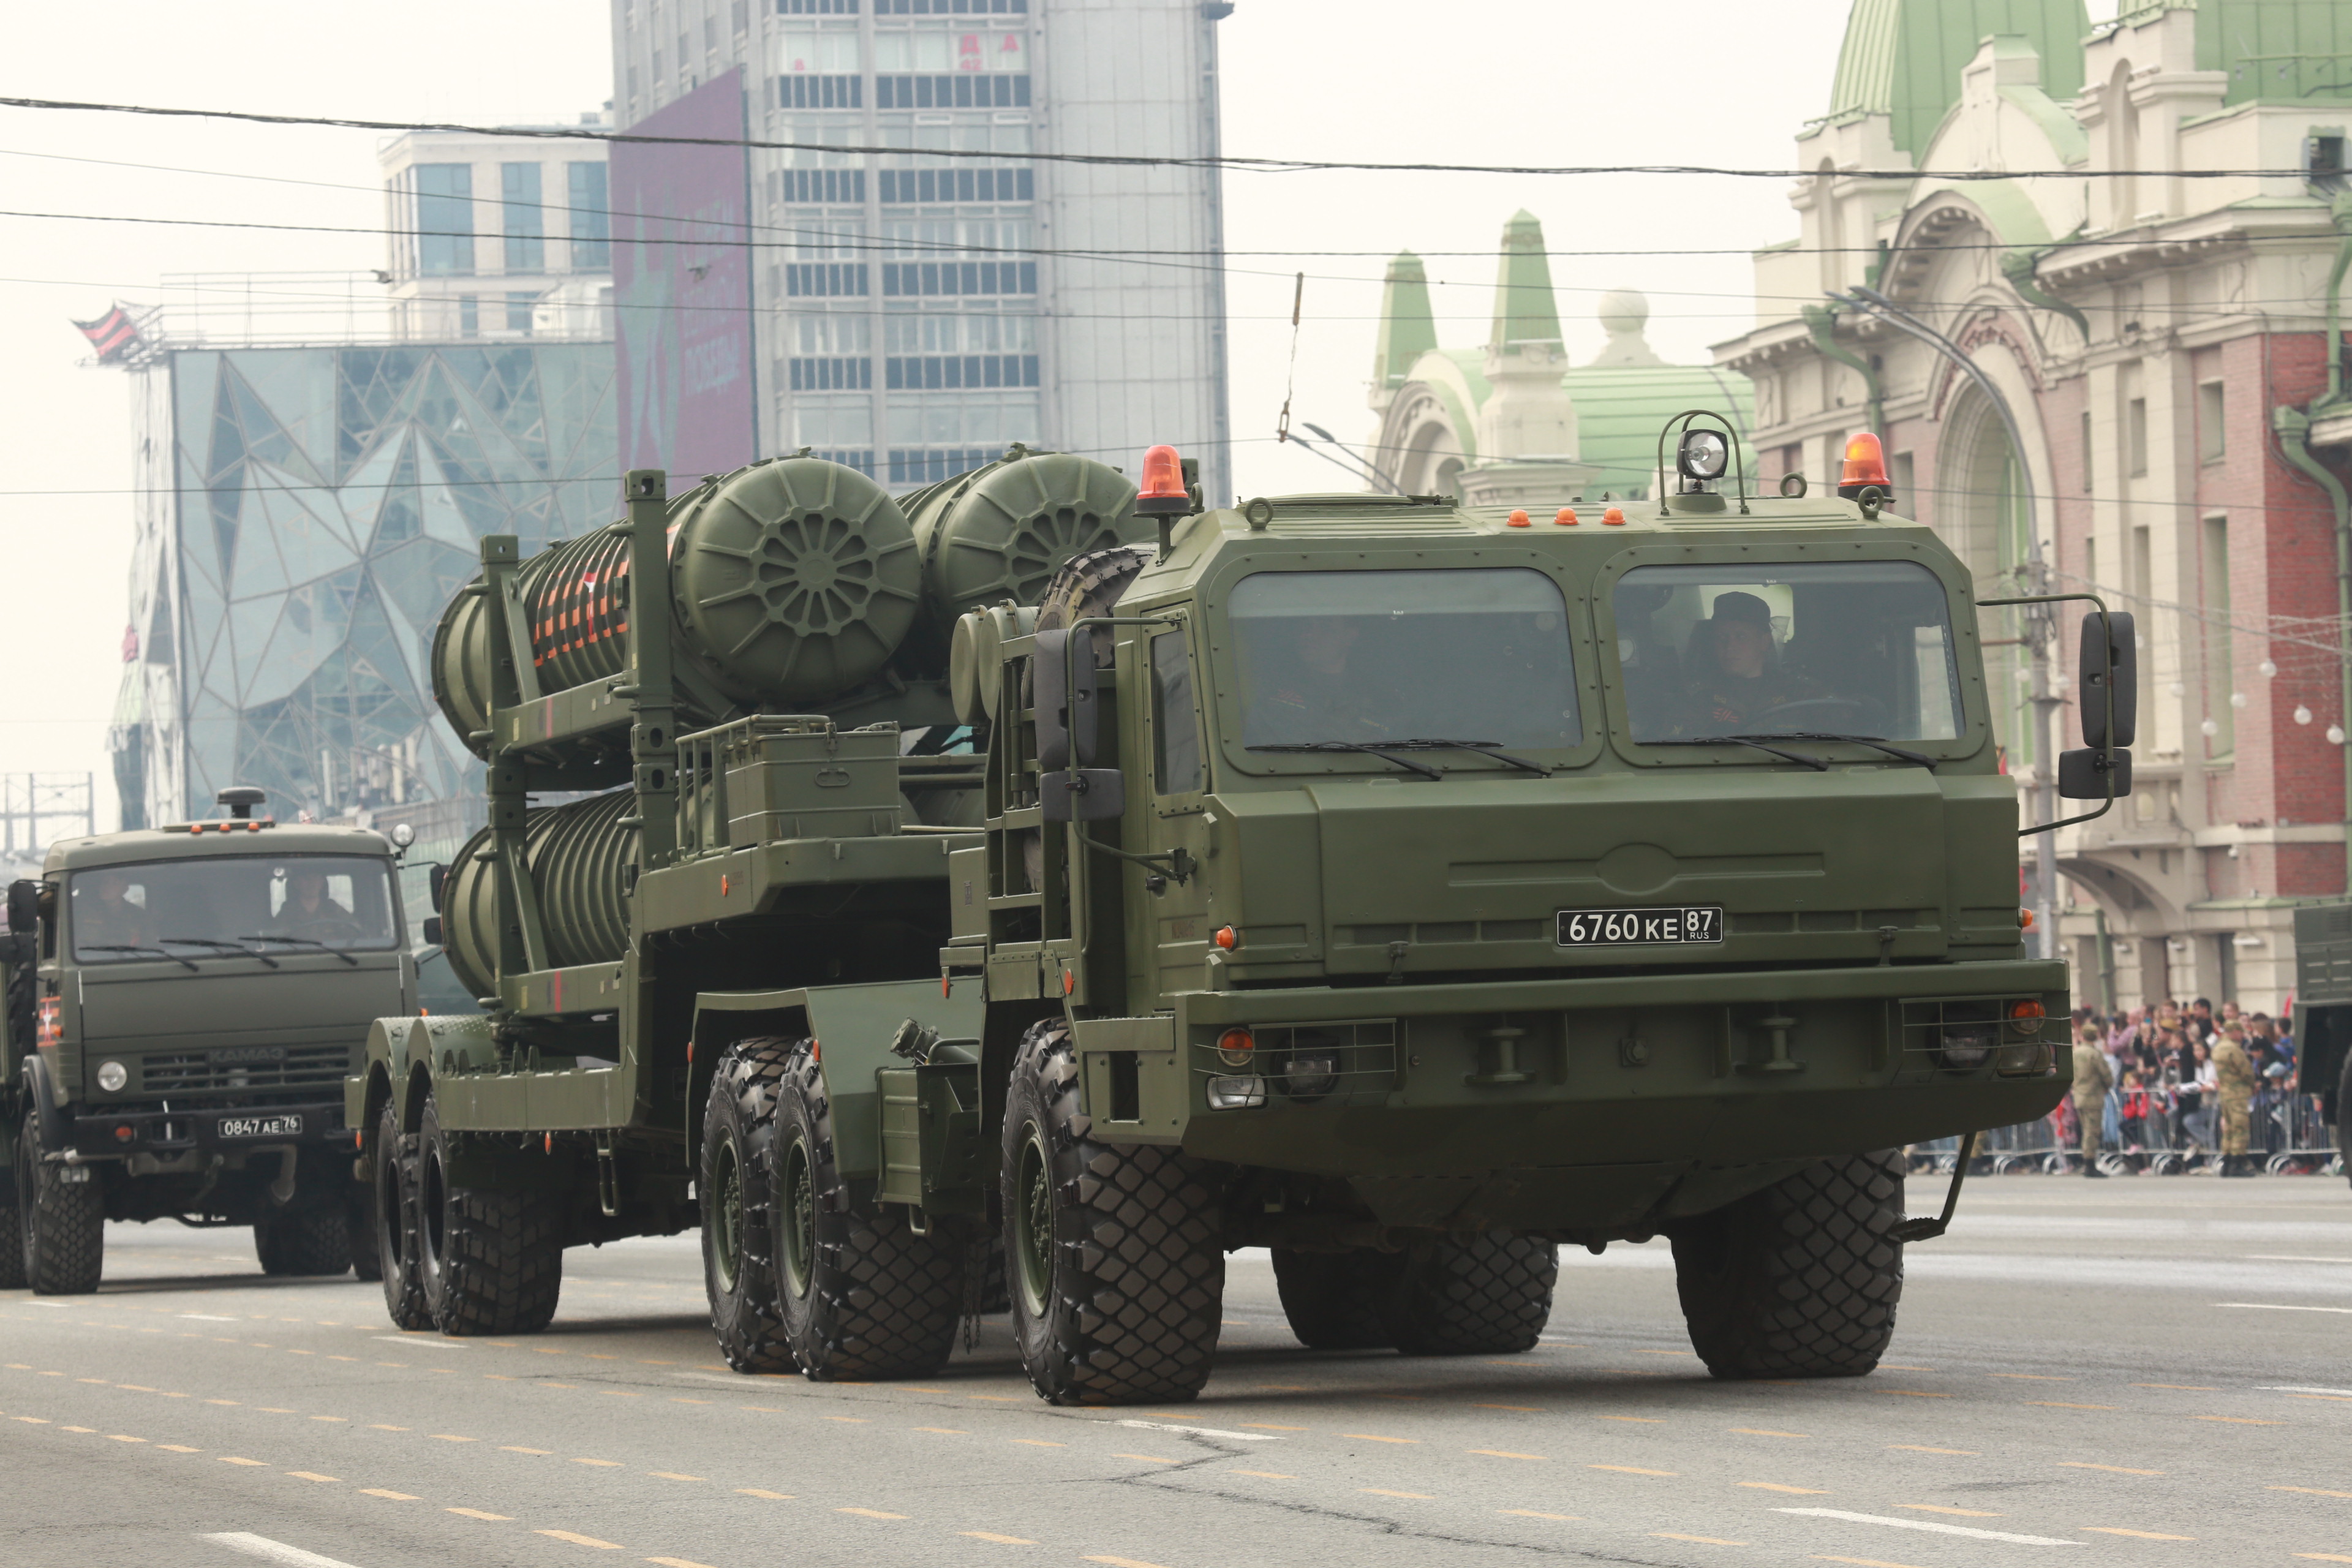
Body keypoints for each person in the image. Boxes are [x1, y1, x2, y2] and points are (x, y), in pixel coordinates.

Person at [1673, 591, 1828, 735]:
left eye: (1741, 637)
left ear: (1764, 641)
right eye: (1722, 637)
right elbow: (1677, 747)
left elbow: (1834, 743)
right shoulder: (1698, 697)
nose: (1729, 647)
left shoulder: (1802, 693)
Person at [2212, 1022, 2258, 1176]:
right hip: (2238, 1093)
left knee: (2228, 1129)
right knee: (2240, 1128)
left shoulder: (2217, 1048)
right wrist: (2252, 1084)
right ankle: (2237, 1164)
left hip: (2225, 1093)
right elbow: (2246, 1071)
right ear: (2235, 1031)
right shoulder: (2234, 1049)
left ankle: (2226, 1163)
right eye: (2240, 1032)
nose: (2242, 1035)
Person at [74, 869, 154, 954]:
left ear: (124, 889)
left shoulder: (139, 915)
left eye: (114, 883)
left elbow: (151, 945)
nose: (107, 886)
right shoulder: (86, 913)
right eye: (105, 882)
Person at [2072, 1022, 2116, 1177]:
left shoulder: (2076, 1052)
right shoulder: (2094, 1054)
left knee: (2086, 1131)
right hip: (2093, 1096)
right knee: (2092, 1131)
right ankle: (2089, 1164)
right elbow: (2106, 1074)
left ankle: (2087, 1162)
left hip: (2079, 1095)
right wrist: (2108, 1084)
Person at [273, 868, 355, 940]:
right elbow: (277, 939)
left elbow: (355, 931)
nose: (312, 883)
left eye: (316, 878)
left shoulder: (334, 909)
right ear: (296, 884)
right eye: (306, 879)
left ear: (322, 883)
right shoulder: (287, 913)